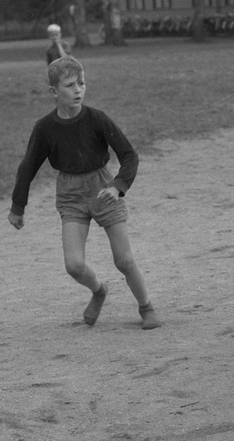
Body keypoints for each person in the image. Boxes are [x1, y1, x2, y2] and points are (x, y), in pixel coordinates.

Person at [8, 56, 161, 330]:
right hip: (70, 194)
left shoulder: (96, 119)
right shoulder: (44, 128)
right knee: (74, 266)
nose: (78, 90)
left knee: (124, 260)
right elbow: (28, 167)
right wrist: (17, 207)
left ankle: (146, 307)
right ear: (54, 91)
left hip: (103, 189)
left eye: (81, 83)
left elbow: (129, 155)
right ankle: (99, 290)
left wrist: (118, 186)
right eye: (70, 85)